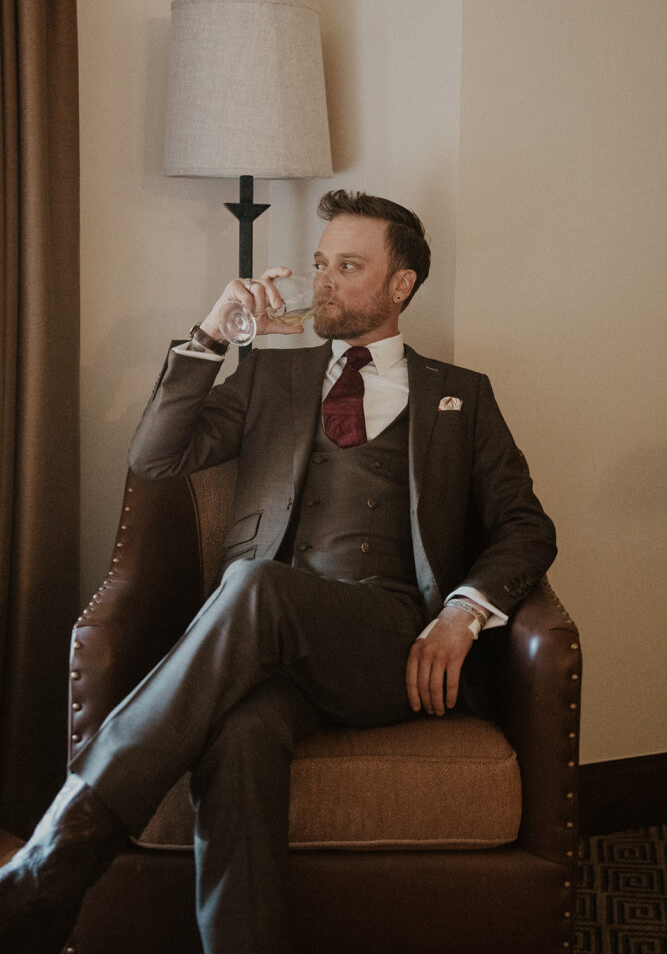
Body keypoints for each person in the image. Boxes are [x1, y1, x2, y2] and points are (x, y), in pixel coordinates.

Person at [0, 190, 557, 954]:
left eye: (349, 266)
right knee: (239, 733)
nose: (324, 280)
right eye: (322, 262)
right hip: (267, 648)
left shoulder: (462, 395)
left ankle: (52, 860)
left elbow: (525, 526)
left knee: (252, 588)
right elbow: (157, 459)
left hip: (388, 642)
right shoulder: (273, 381)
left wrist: (462, 613)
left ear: (401, 285)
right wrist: (208, 336)